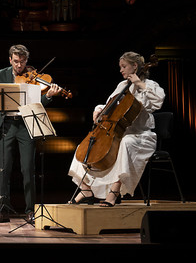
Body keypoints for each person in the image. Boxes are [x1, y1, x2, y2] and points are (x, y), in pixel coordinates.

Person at [68, 51, 165, 207]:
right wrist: (98, 109)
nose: (121, 70)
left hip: (141, 136)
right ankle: (86, 189)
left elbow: (158, 101)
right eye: (120, 67)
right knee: (85, 146)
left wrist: (139, 84)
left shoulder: (150, 85)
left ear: (135, 66)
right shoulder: (122, 85)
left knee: (126, 143)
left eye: (124, 66)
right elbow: (109, 104)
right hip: (118, 133)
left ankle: (114, 191)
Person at [0, 44, 61, 223]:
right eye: (15, 62)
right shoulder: (2, 74)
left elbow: (39, 102)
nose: (19, 66)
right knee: (3, 169)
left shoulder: (34, 78)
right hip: (6, 124)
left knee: (28, 168)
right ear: (10, 60)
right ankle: (3, 210)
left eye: (22, 62)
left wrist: (49, 96)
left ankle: (30, 210)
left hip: (25, 125)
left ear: (26, 60)